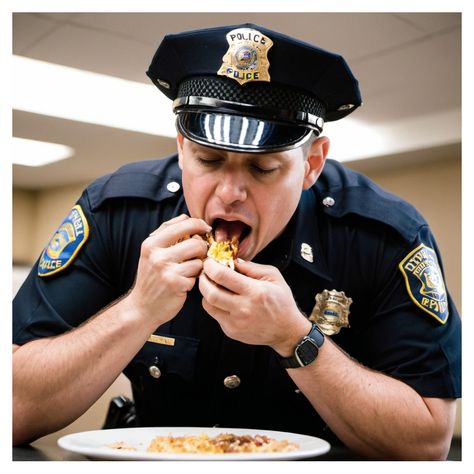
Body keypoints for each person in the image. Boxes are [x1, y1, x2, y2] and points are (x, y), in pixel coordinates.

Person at [12, 23, 461, 460]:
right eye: (209, 159)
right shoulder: (117, 211)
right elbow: (11, 411)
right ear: (182, 148)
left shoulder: (383, 234)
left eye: (263, 168)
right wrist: (137, 309)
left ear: (311, 164)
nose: (229, 194)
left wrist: (296, 338)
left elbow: (425, 444)